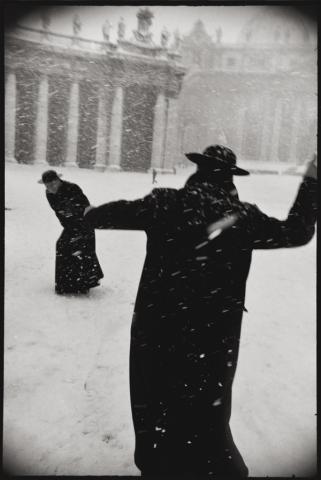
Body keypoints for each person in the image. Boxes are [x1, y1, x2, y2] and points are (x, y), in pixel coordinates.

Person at [84, 145, 317, 477]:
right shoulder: (243, 217)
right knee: (207, 413)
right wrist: (311, 181)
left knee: (154, 403)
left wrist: (89, 212)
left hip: (157, 327)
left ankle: (158, 466)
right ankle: (212, 466)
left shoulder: (164, 203)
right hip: (214, 335)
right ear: (230, 179)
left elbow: (104, 216)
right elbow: (298, 231)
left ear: (197, 171)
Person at [39, 170, 103, 295]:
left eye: (52, 184)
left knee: (81, 250)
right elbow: (58, 211)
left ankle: (83, 284)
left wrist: (74, 215)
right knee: (62, 245)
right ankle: (64, 284)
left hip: (84, 223)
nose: (50, 188)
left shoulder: (72, 188)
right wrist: (67, 223)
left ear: (58, 181)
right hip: (69, 225)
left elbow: (85, 206)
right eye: (47, 186)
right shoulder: (49, 194)